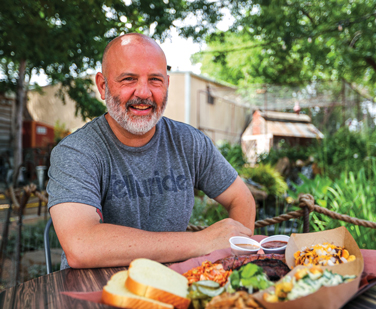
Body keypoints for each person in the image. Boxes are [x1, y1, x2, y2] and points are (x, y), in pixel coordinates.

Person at [47, 33, 256, 270]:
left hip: (171, 287)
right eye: (128, 79)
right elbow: (81, 246)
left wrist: (232, 266)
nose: (144, 93)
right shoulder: (77, 151)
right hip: (94, 294)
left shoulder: (190, 142)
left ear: (167, 84)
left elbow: (242, 199)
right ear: (103, 86)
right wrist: (202, 241)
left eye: (155, 80)